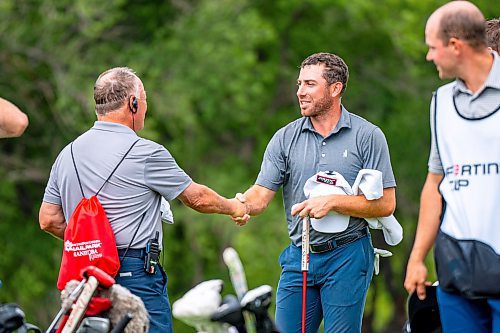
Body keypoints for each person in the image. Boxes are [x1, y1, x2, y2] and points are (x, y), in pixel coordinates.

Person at [38, 67, 247, 333]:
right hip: (135, 275)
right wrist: (234, 207)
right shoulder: (146, 152)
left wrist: (96, 245)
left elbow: (48, 219)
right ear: (133, 103)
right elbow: (196, 197)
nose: (146, 107)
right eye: (145, 99)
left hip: (83, 277)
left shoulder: (66, 155)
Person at [233, 52, 396, 332]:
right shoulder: (284, 138)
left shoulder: (367, 136)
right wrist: (239, 204)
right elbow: (260, 195)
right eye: (299, 84)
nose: (300, 92)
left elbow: (385, 204)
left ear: (335, 88)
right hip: (300, 254)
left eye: (309, 84)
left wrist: (333, 202)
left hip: (348, 253)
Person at [404, 2, 500, 332]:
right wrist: (417, 258)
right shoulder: (440, 103)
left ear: (455, 46)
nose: (429, 56)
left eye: (433, 47)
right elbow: (435, 185)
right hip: (456, 273)